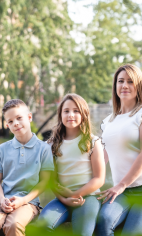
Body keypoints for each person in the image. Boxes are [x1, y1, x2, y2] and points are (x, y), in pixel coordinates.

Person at [96, 64, 142, 236]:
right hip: (122, 193)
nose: (125, 86)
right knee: (103, 224)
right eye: (120, 81)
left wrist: (121, 185)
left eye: (130, 81)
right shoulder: (107, 122)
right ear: (115, 86)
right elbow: (101, 158)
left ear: (138, 87)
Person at [0, 99, 54, 236]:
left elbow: (44, 182)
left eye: (19, 118)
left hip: (28, 202)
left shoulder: (44, 149)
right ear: (7, 125)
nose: (15, 123)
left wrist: (23, 200)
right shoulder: (2, 149)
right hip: (1, 199)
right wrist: (1, 200)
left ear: (29, 117)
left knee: (14, 224)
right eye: (10, 121)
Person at [38, 93, 105, 236]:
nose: (71, 115)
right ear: (60, 115)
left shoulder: (93, 142)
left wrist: (75, 195)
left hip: (88, 198)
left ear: (84, 114)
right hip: (62, 199)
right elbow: (52, 179)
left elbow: (99, 179)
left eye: (76, 111)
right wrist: (64, 199)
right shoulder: (51, 145)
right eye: (66, 111)